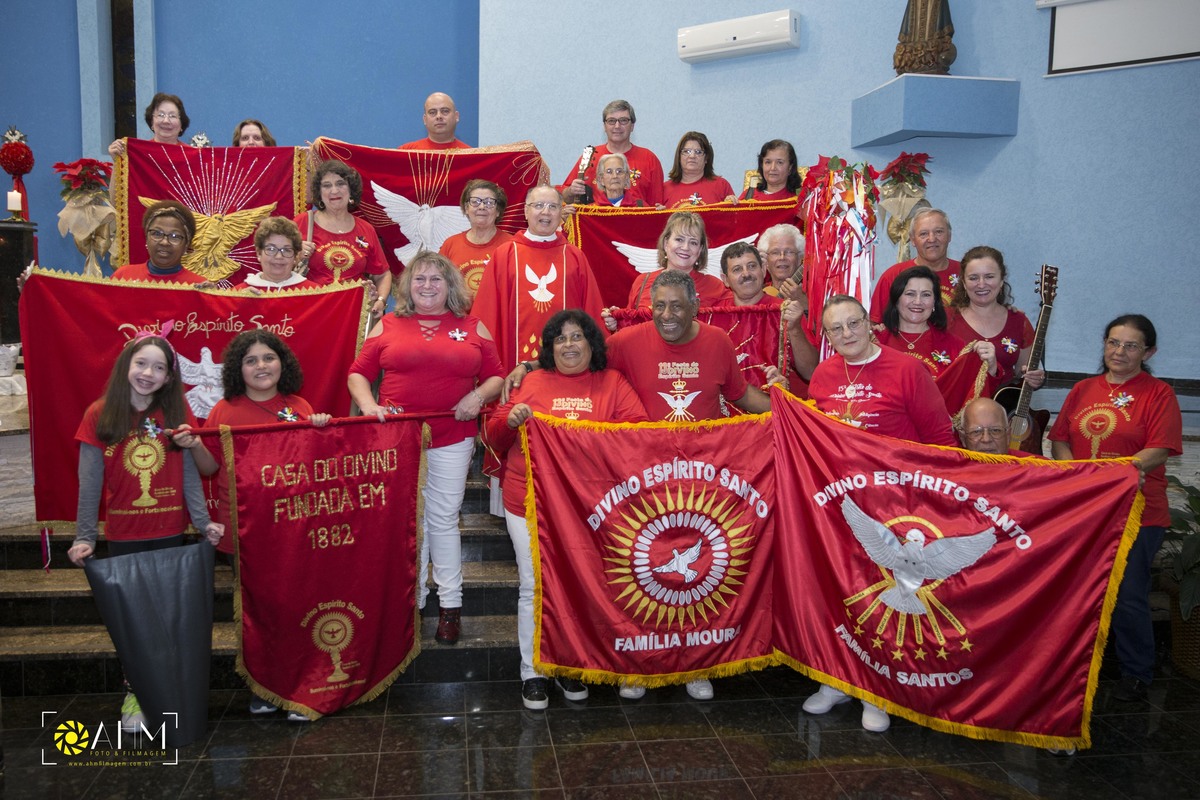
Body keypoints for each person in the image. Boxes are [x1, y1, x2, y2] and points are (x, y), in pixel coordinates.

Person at [507, 271, 780, 702]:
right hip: (643, 483)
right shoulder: (627, 342)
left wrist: (787, 409)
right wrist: (528, 367)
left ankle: (695, 665)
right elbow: (578, 355)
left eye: (676, 306)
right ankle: (637, 665)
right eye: (659, 307)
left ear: (696, 306)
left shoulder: (718, 342)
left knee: (698, 574)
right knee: (647, 572)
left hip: (702, 482)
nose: (667, 315)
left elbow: (741, 395)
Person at [804, 295, 956, 732]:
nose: (847, 333)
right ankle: (836, 678)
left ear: (869, 324)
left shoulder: (908, 370)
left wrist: (933, 504)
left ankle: (878, 691)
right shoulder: (824, 374)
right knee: (839, 594)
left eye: (853, 323)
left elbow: (941, 440)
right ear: (827, 337)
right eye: (836, 328)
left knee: (883, 601)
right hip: (841, 509)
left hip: (896, 510)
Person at [487, 310, 647, 709]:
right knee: (534, 585)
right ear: (549, 348)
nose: (569, 345)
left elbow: (638, 433)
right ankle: (534, 671)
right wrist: (512, 420)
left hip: (590, 507)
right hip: (529, 501)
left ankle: (570, 663)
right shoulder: (531, 382)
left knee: (584, 584)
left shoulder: (612, 383)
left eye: (577, 337)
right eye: (560, 339)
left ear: (592, 343)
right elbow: (493, 435)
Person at [67, 333, 224, 731]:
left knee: (171, 618)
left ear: (169, 377)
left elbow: (190, 475)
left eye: (159, 367)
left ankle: (171, 689)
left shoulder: (174, 412)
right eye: (141, 364)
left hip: (170, 533)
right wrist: (84, 536)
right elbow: (89, 483)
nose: (148, 373)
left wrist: (202, 521)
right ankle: (136, 693)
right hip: (124, 536)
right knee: (134, 624)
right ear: (126, 365)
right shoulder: (99, 413)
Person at [172, 329, 330, 720]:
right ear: (237, 369)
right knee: (257, 611)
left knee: (297, 605)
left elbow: (316, 466)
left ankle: (302, 685)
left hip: (294, 529)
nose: (261, 366)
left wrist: (322, 431)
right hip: (244, 531)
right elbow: (210, 468)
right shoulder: (224, 410)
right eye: (251, 360)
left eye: (268, 357)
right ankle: (264, 687)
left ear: (282, 363)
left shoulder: (301, 406)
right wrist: (195, 447)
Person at [348, 252, 505, 644]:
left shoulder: (473, 326)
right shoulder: (387, 324)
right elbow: (358, 374)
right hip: (397, 439)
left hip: (453, 435)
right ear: (408, 285)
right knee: (407, 521)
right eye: (420, 279)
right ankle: (412, 602)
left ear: (450, 285)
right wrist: (368, 406)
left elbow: (497, 376)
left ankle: (450, 606)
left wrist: (477, 397)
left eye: (436, 278)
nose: (428, 286)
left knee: (443, 519)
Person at [1049, 314, 1182, 702]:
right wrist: (1078, 475)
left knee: (1127, 593)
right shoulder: (1083, 389)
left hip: (1138, 512)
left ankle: (1137, 671)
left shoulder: (1159, 394)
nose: (1119, 351)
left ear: (1148, 352)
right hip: (1085, 511)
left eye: (1130, 345)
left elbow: (1160, 448)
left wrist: (1114, 475)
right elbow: (1060, 440)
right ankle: (1078, 666)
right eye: (1113, 342)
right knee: (1076, 590)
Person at [473, 185, 607, 372]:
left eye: (553, 206)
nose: (546, 212)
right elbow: (487, 314)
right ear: (526, 211)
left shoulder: (574, 256)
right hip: (512, 364)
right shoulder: (505, 255)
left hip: (568, 367)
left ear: (560, 212)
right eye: (538, 205)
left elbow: (591, 310)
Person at [877, 265, 999, 415]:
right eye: (910, 294)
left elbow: (978, 394)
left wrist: (991, 367)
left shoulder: (956, 347)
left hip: (940, 428)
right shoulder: (876, 342)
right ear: (896, 300)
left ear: (935, 302)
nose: (918, 301)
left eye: (926, 295)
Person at [295, 160, 390, 317]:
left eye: (340, 184)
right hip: (311, 312)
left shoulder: (366, 229)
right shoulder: (301, 223)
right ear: (319, 193)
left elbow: (382, 274)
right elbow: (277, 267)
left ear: (351, 189)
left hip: (353, 315)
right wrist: (295, 256)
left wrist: (380, 300)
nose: (334, 190)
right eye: (327, 185)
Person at [946, 245, 1045, 390]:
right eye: (973, 278)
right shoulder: (946, 319)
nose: (981, 284)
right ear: (964, 283)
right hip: (956, 402)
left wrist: (1034, 378)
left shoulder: (1019, 321)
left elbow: (1022, 372)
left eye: (989, 277)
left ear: (1001, 280)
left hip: (1003, 403)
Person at [720, 242, 817, 388]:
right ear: (725, 280)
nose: (746, 274)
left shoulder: (786, 310)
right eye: (737, 269)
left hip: (776, 400)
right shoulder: (716, 315)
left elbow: (810, 372)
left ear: (764, 270)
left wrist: (795, 329)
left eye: (752, 266)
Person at [622, 211, 732, 312]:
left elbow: (735, 319)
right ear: (666, 243)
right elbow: (630, 323)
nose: (685, 247)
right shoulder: (642, 282)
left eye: (693, 242)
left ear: (700, 249)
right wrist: (616, 321)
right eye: (679, 239)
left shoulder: (715, 287)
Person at [562, 100, 664, 206]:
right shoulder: (590, 157)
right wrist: (570, 191)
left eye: (623, 120)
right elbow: (563, 197)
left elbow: (656, 206)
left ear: (632, 126)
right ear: (604, 126)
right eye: (611, 121)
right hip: (596, 216)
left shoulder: (649, 159)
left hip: (636, 216)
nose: (617, 126)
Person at [869, 208, 957, 323]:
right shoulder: (893, 276)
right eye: (923, 234)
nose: (932, 239)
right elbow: (875, 324)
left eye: (939, 232)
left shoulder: (967, 274)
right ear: (913, 240)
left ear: (949, 236)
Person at [439, 180, 512, 296]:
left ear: (498, 211)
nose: (482, 207)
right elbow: (438, 286)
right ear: (466, 208)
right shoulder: (450, 244)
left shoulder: (512, 246)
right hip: (459, 308)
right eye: (475, 202)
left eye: (489, 202)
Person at [111, 200, 207, 284]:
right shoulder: (123, 277)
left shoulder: (198, 287)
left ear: (186, 245)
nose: (164, 242)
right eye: (157, 233)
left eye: (174, 236)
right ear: (146, 237)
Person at [235, 217, 313, 292]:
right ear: (259, 253)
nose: (279, 256)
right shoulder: (236, 295)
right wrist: (240, 300)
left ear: (295, 256)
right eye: (271, 249)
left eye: (286, 250)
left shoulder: (313, 293)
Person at [661, 131, 734, 208]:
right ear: (679, 157)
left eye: (698, 152)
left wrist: (731, 205)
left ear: (706, 158)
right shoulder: (664, 189)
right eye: (687, 151)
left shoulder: (721, 186)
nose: (692, 156)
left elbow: (734, 215)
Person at [108, 92, 190, 157]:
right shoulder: (138, 154)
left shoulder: (191, 156)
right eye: (160, 115)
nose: (166, 121)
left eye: (172, 116)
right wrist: (117, 159)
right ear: (152, 122)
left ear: (181, 124)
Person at [735, 139, 800, 202]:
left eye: (780, 162)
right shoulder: (748, 197)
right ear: (762, 165)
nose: (773, 168)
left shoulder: (800, 198)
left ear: (790, 167)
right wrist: (730, 204)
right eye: (768, 162)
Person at [399, 92, 470, 150]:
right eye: (432, 112)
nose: (439, 116)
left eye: (445, 111)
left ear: (456, 116)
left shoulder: (471, 155)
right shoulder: (406, 152)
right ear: (425, 119)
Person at [758, 223, 804, 301]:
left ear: (799, 258)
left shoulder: (813, 293)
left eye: (789, 252)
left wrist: (804, 303)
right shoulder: (757, 295)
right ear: (766, 262)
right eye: (775, 252)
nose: (782, 257)